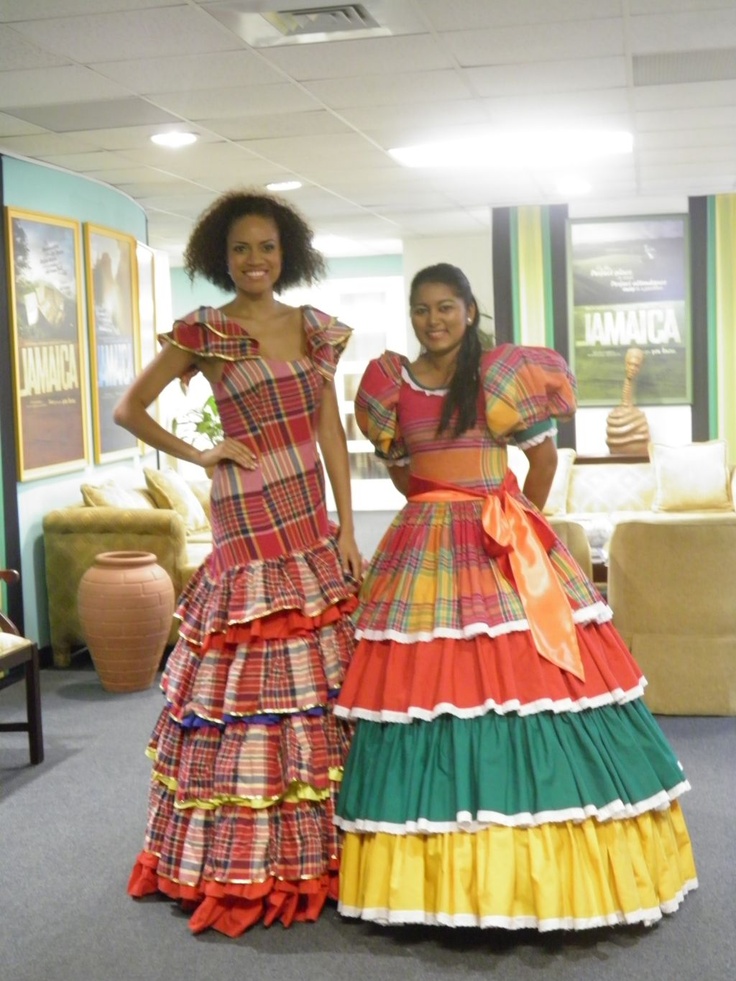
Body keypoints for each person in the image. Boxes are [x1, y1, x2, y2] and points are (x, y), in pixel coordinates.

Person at [333, 262, 697, 930]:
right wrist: (436, 516)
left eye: (446, 307)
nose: (433, 320)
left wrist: (514, 518)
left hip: (499, 538)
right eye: (422, 309)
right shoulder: (389, 386)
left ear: (470, 311)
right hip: (423, 544)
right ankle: (434, 875)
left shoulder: (499, 378)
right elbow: (404, 476)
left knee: (527, 683)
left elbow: (546, 461)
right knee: (429, 688)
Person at [115, 189, 362, 936]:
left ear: (288, 253)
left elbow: (330, 430)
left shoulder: (315, 329)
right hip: (243, 506)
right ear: (220, 259)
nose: (255, 261)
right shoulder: (207, 330)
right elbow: (130, 408)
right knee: (249, 676)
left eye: (267, 248)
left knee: (317, 670)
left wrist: (349, 528)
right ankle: (245, 853)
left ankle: (321, 843)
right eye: (240, 250)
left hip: (307, 510)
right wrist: (199, 451)